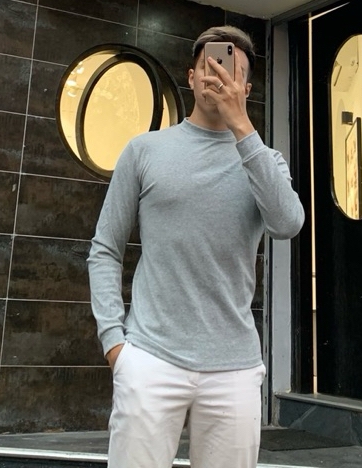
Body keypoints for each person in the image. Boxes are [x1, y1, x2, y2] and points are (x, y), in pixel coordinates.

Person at [87, 25, 305, 468]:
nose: (217, 77)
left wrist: (242, 126)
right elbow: (105, 248)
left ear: (247, 88)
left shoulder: (265, 160)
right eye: (210, 66)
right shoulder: (144, 151)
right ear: (191, 77)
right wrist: (115, 343)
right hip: (149, 358)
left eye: (231, 72)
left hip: (234, 368)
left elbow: (288, 224)